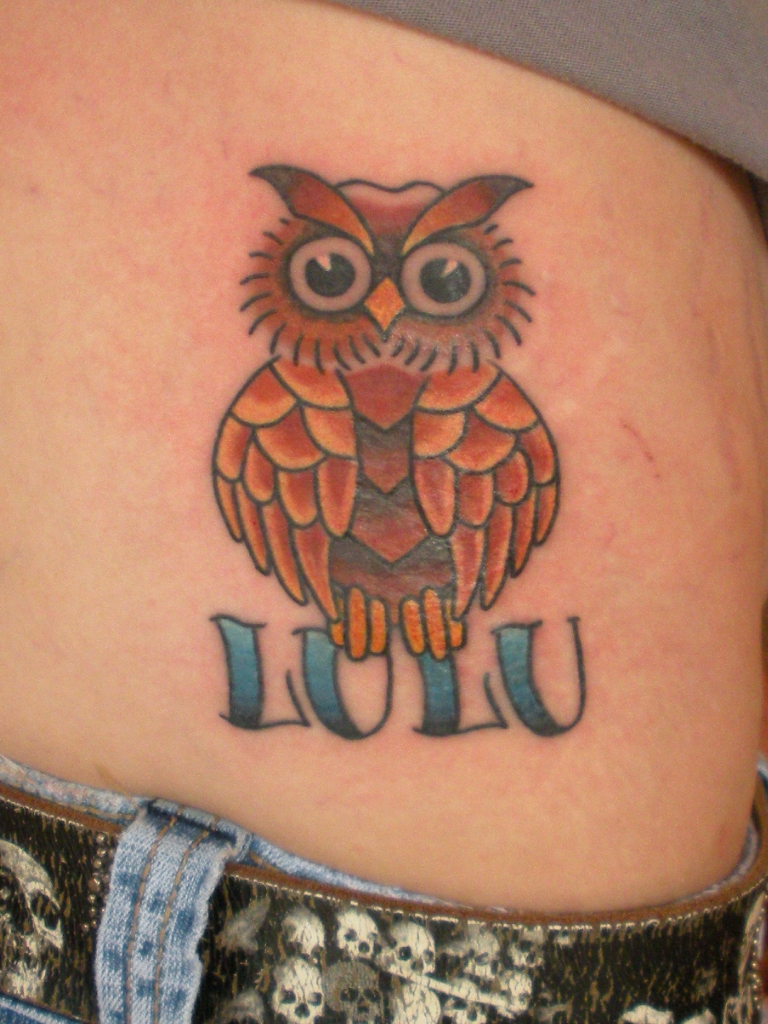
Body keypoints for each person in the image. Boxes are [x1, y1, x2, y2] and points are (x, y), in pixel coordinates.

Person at [0, 3, 767, 1023]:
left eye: (437, 277)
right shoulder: (282, 408)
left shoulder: (485, 409)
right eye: (336, 273)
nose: (387, 308)